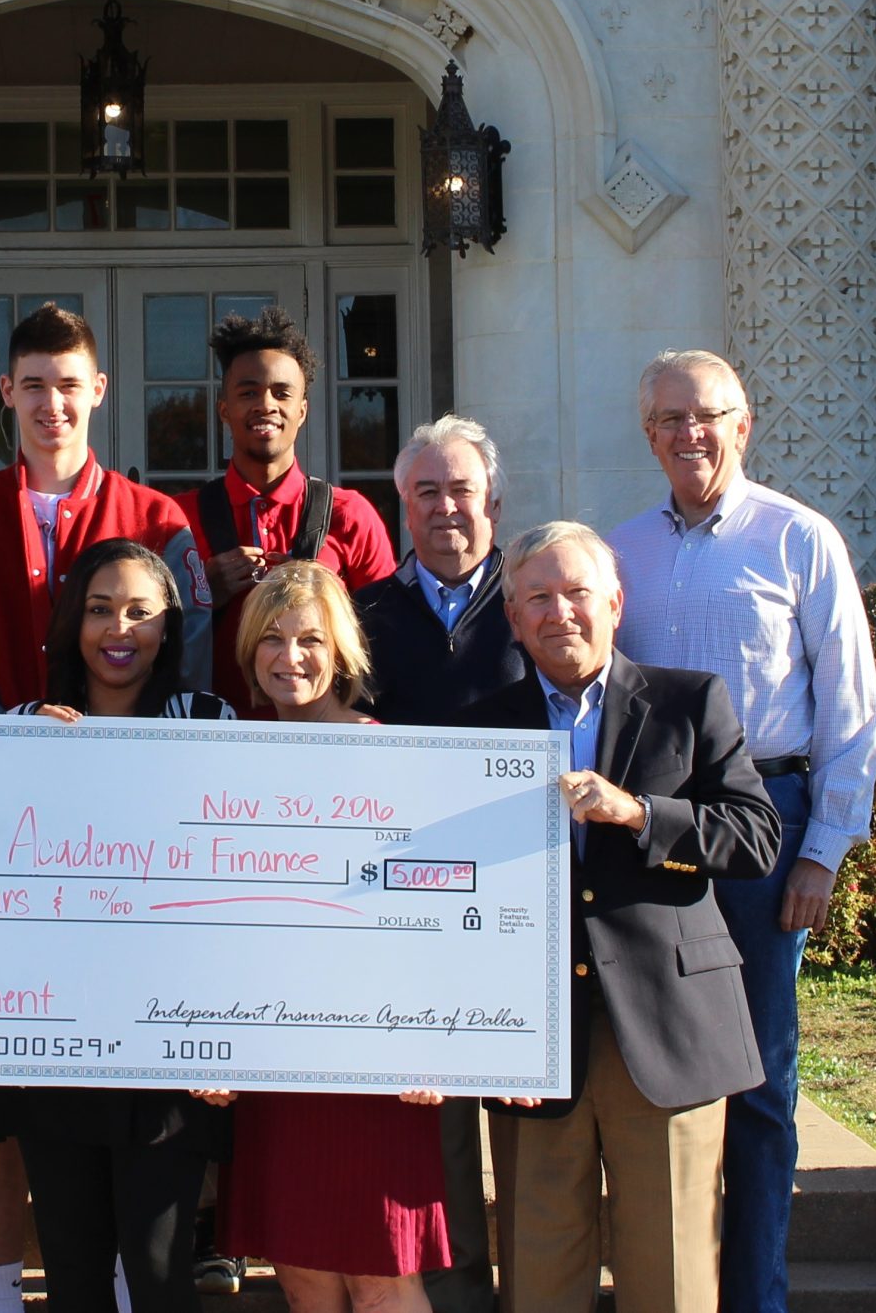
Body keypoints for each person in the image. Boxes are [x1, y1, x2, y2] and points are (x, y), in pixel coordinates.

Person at [0, 302, 212, 1313]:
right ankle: (6, 1288)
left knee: (136, 1069)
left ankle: (139, 1277)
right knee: (14, 1083)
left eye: (66, 384)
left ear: (97, 393)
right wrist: (21, 736)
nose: (49, 403)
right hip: (0, 829)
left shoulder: (159, 521)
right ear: (5, 393)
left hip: (136, 847)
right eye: (30, 384)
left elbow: (192, 663)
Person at [608, 349, 876, 1313]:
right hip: (650, 832)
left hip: (772, 823)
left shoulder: (799, 540)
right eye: (670, 420)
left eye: (708, 416)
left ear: (744, 422)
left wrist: (824, 851)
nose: (690, 434)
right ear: (647, 434)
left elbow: (851, 707)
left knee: (760, 1080)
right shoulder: (620, 555)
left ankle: (753, 1297)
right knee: (662, 1072)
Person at [464, 522, 780, 1313]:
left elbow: (755, 839)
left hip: (666, 1028)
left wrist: (640, 815)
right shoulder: (480, 727)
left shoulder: (689, 701)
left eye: (576, 593)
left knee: (671, 1282)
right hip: (534, 1043)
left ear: (615, 601)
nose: (558, 612)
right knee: (539, 1284)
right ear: (512, 617)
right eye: (537, 597)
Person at [0, 538, 235, 1313]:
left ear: (169, 626)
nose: (117, 629)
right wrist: (23, 766)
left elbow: (236, 887)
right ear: (70, 622)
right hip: (57, 1050)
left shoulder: (210, 722)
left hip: (168, 1049)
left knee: (159, 1278)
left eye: (139, 611)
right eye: (98, 609)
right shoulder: (21, 726)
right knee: (76, 1275)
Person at [208, 561, 450, 1313]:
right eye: (272, 640)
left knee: (382, 1276)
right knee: (303, 1272)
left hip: (378, 1068)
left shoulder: (396, 757)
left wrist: (438, 1040)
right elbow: (210, 919)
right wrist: (200, 1035)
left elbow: (434, 922)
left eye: (310, 639)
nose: (291, 657)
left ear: (341, 651)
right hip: (275, 1067)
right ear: (249, 654)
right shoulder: (225, 760)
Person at [352, 417, 525, 1313]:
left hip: (529, 889)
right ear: (402, 507)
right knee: (441, 1117)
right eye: (427, 493)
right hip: (418, 901)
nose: (446, 509)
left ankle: (539, 1283)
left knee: (534, 1116)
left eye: (461, 491)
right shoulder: (369, 616)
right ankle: (459, 1295)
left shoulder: (537, 601)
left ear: (493, 501)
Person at [174, 308, 395, 713]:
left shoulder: (351, 516)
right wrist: (201, 594)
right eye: (248, 392)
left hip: (319, 749)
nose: (265, 405)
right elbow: (143, 640)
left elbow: (384, 644)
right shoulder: (177, 520)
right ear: (224, 409)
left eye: (281, 392)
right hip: (208, 747)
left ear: (303, 410)